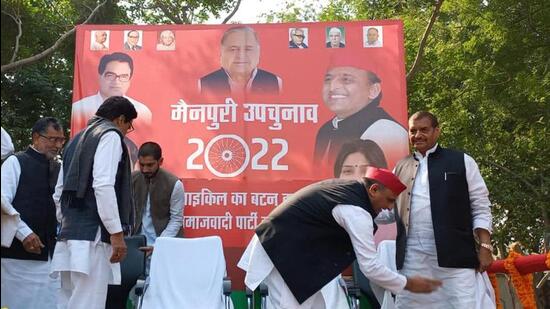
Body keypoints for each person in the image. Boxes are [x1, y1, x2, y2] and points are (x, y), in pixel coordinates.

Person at [238, 167, 442, 309]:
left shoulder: (353, 193)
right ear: (373, 190)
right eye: (389, 200)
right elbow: (370, 266)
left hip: (301, 255)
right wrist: (407, 284)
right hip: (282, 251)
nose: (389, 207)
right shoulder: (355, 210)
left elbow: (385, 216)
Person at [392, 111, 494, 308]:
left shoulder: (462, 161)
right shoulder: (400, 167)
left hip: (455, 258)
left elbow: (480, 205)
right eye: (413, 131)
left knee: (464, 304)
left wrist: (485, 247)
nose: (418, 135)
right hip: (412, 259)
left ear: (437, 131)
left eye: (424, 130)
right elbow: (388, 209)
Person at [51, 96, 137, 308]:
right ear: (120, 119)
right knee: (88, 302)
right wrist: (116, 233)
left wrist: (68, 221)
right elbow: (103, 186)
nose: (127, 131)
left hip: (69, 235)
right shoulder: (110, 136)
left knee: (68, 301)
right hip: (94, 235)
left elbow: (58, 193)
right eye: (129, 126)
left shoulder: (75, 140)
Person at [1, 117, 65, 308]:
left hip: (51, 256)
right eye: (52, 139)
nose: (57, 145)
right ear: (36, 137)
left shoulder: (59, 168)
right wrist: (24, 233)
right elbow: (2, 200)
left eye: (61, 140)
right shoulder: (15, 162)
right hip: (17, 258)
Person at [314, 55, 408, 169]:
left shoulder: (386, 130)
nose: (332, 87)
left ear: (373, 90)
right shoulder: (326, 129)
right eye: (328, 80)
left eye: (346, 80)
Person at [71, 52, 152, 134]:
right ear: (99, 76)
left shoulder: (142, 112)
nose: (116, 81)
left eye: (123, 76)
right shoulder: (79, 109)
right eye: (110, 75)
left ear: (130, 80)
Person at [199, 26, 282, 96]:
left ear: (258, 52)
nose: (241, 55)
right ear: (221, 53)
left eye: (248, 49)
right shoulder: (203, 84)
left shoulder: (275, 82)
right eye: (233, 49)